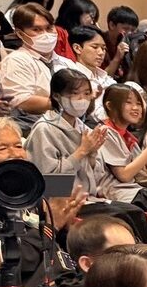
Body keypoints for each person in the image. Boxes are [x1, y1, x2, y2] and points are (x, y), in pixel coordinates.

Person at [24, 68, 111, 198]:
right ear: (56, 96)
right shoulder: (44, 129)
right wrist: (81, 152)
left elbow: (98, 179)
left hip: (87, 198)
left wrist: (92, 155)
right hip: (59, 203)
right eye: (75, 93)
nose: (82, 99)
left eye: (87, 93)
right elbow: (50, 184)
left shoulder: (84, 129)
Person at [0, 2, 59, 117]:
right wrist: (64, 103)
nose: (45, 34)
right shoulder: (16, 60)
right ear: (20, 34)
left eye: (49, 28)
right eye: (37, 30)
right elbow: (20, 101)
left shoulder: (66, 63)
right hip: (33, 124)